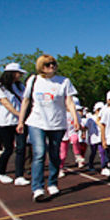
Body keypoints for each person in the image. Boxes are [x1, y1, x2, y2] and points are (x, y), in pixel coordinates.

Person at [17, 54, 81, 202]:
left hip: (57, 123)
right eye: (47, 64)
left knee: (54, 154)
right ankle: (37, 188)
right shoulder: (33, 80)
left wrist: (75, 118)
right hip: (37, 122)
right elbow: (26, 101)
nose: (51, 67)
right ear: (41, 66)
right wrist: (21, 121)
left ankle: (52, 183)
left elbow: (69, 102)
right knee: (39, 153)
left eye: (53, 64)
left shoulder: (64, 81)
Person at [0, 63, 28, 185]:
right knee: (8, 148)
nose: (20, 75)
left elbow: (26, 100)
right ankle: (1, 172)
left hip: (20, 122)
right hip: (6, 122)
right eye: (18, 73)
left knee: (21, 148)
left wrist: (22, 117)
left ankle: (19, 175)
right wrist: (18, 114)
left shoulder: (20, 86)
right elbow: (5, 103)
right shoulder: (0, 86)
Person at [85, 102, 105, 173]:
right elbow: (86, 127)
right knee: (93, 152)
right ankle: (90, 165)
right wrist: (84, 133)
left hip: (101, 137)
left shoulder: (103, 118)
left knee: (102, 152)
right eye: (99, 109)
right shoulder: (91, 118)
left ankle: (103, 166)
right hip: (93, 138)